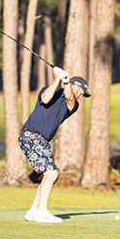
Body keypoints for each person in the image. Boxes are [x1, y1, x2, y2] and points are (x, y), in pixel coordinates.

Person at [19, 65, 91, 223]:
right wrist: (58, 78)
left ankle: (33, 211)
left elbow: (70, 97)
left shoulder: (72, 105)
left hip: (38, 139)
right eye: (81, 92)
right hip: (31, 135)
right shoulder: (49, 90)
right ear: (75, 86)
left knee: (49, 175)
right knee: (51, 174)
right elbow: (45, 99)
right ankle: (42, 212)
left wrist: (65, 82)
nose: (81, 96)